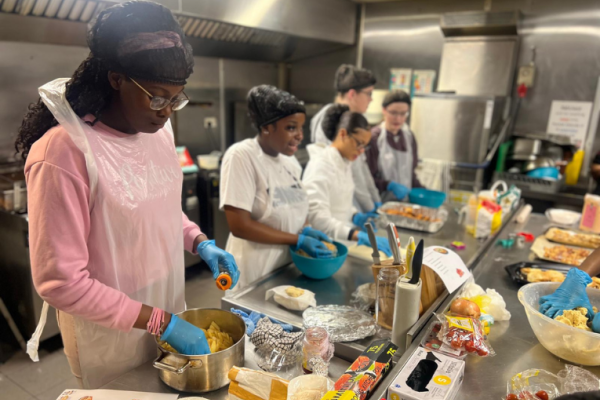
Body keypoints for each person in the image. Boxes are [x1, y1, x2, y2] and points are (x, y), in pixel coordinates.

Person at [15, 1, 239, 388]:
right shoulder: (64, 153)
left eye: (176, 99)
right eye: (156, 97)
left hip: (168, 310)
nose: (167, 111)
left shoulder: (158, 132)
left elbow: (159, 209)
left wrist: (199, 242)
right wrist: (159, 321)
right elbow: (61, 282)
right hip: (107, 334)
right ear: (116, 78)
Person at [220, 85, 333, 291]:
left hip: (285, 270)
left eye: (301, 128)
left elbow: (296, 205)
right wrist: (298, 239)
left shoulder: (291, 163)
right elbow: (239, 226)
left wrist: (306, 228)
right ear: (266, 127)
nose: (300, 135)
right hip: (253, 274)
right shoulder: (242, 156)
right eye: (291, 128)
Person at [303, 104, 393, 255]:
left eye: (365, 146)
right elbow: (318, 218)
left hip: (343, 243)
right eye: (359, 144)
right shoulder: (321, 165)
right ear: (343, 134)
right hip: (324, 248)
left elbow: (339, 198)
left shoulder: (344, 163)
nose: (361, 150)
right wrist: (357, 235)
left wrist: (354, 215)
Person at [311, 64, 382, 214]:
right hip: (337, 209)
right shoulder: (338, 120)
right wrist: (369, 207)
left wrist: (376, 200)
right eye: (368, 93)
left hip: (348, 207)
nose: (371, 99)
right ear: (352, 94)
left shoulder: (346, 118)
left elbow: (362, 167)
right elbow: (355, 173)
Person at [366, 90, 422, 202]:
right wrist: (388, 185)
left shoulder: (409, 137)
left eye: (403, 114)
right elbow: (365, 178)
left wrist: (422, 192)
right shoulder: (374, 138)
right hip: (378, 202)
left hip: (404, 205)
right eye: (393, 113)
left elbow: (411, 174)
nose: (398, 119)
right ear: (384, 110)